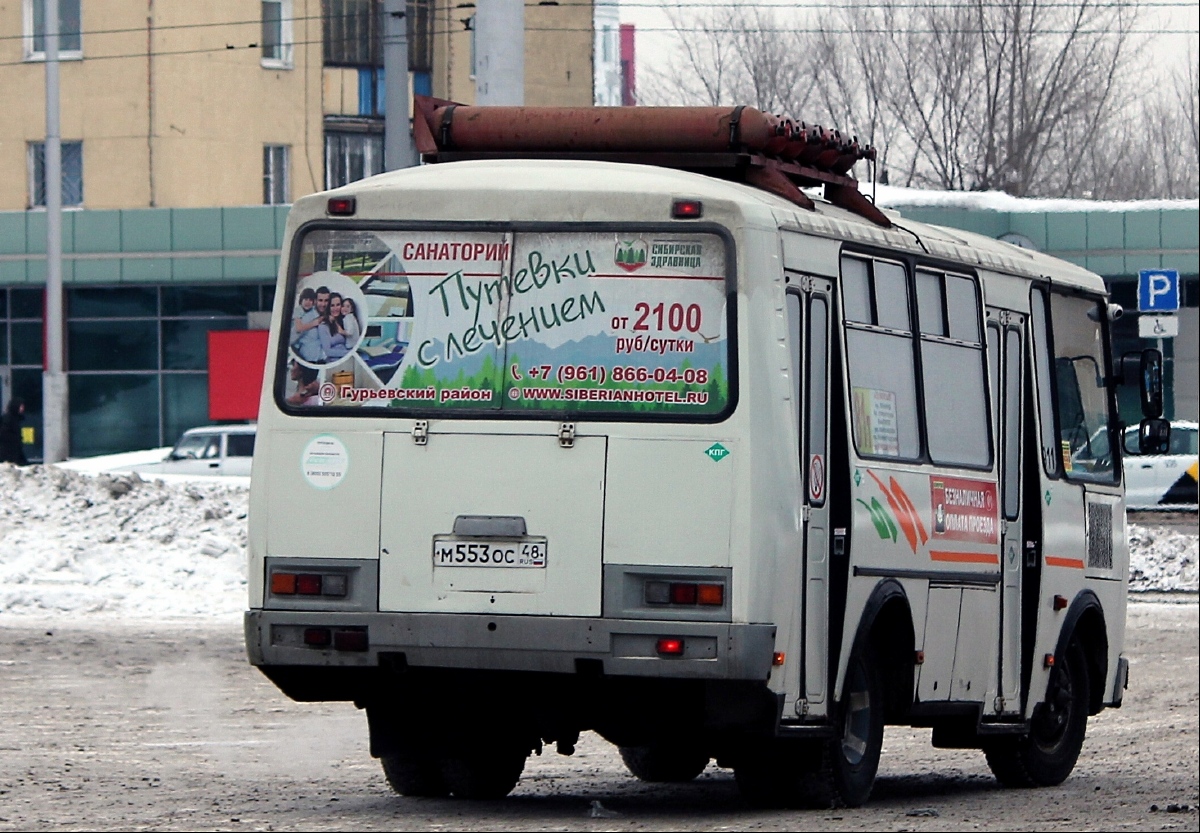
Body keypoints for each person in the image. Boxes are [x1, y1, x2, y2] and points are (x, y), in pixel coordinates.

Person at [290, 287, 323, 363]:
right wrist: (314, 323)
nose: (308, 302)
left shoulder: (312, 311)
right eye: (305, 299)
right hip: (293, 345)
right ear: (301, 300)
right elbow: (299, 328)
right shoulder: (298, 310)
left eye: (310, 300)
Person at [319, 293, 350, 362]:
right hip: (334, 362)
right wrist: (349, 353)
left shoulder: (344, 322)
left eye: (338, 305)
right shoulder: (323, 326)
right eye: (332, 305)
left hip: (347, 360)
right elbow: (328, 351)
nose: (335, 308)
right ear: (328, 307)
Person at [0, 397, 29, 465]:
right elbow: (4, 434)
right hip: (8, 451)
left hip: (15, 450)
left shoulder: (16, 419)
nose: (22, 409)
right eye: (21, 406)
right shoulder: (8, 419)